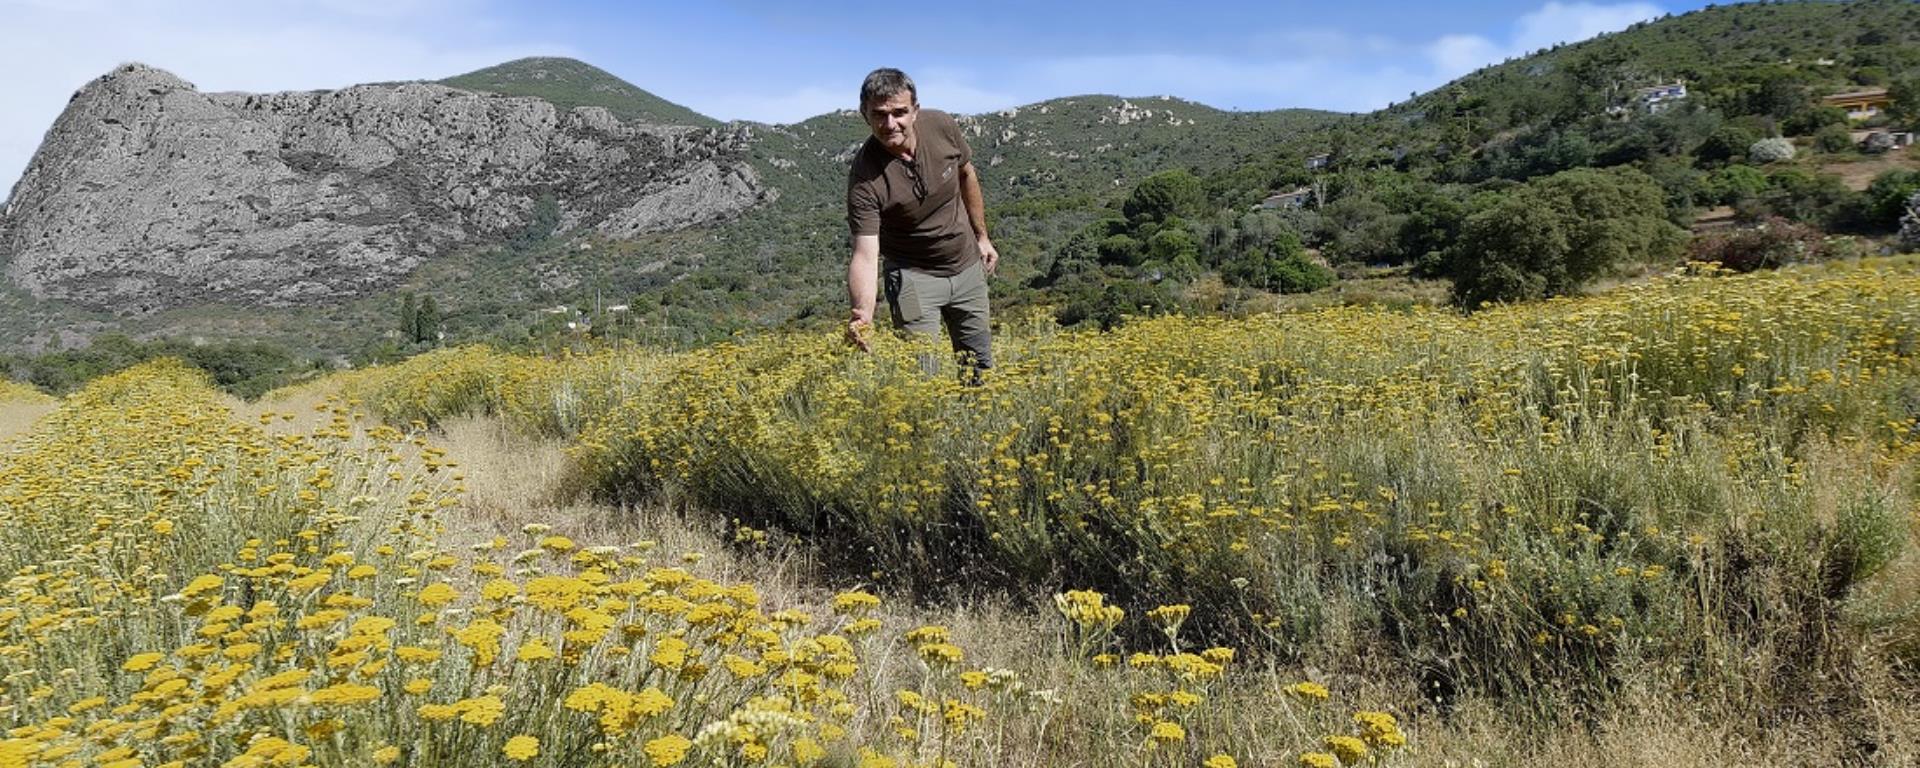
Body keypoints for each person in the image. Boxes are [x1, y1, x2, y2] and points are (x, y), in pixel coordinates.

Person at [844, 68, 999, 370]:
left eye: (900, 112)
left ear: (915, 110)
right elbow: (865, 254)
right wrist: (862, 315)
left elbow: (967, 174)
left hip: (967, 267)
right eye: (879, 114)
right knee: (922, 374)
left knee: (979, 365)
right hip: (913, 279)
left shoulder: (941, 125)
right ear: (865, 115)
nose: (890, 124)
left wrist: (982, 236)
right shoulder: (865, 178)